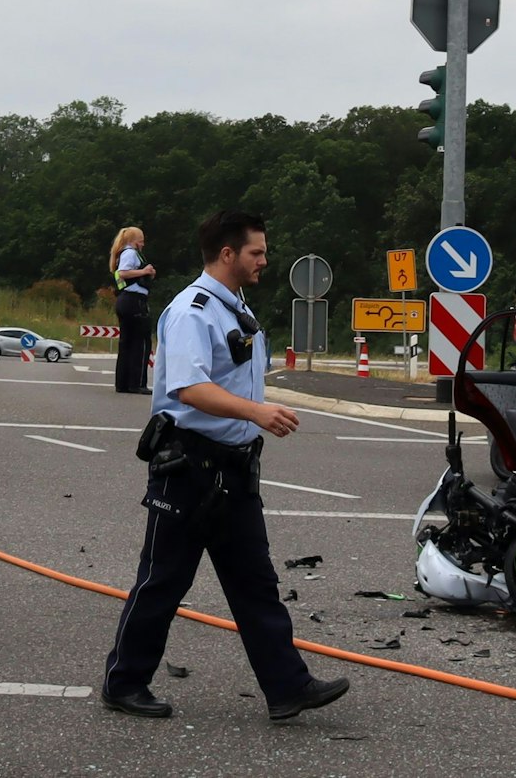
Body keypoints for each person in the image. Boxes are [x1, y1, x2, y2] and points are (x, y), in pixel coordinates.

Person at [101, 210, 350, 723]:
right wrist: (258, 412)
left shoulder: (233, 306)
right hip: (191, 466)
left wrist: (253, 421)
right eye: (256, 252)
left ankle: (288, 687)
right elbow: (189, 389)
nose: (265, 260)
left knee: (254, 582)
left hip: (233, 468)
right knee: (163, 580)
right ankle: (123, 682)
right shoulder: (194, 311)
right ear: (228, 254)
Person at [110, 225, 156, 394]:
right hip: (135, 301)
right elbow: (123, 273)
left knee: (126, 343)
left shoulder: (122, 253)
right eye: (141, 241)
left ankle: (122, 383)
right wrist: (144, 271)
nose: (143, 244)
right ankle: (137, 383)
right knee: (141, 342)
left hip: (124, 300)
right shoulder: (130, 253)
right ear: (133, 241)